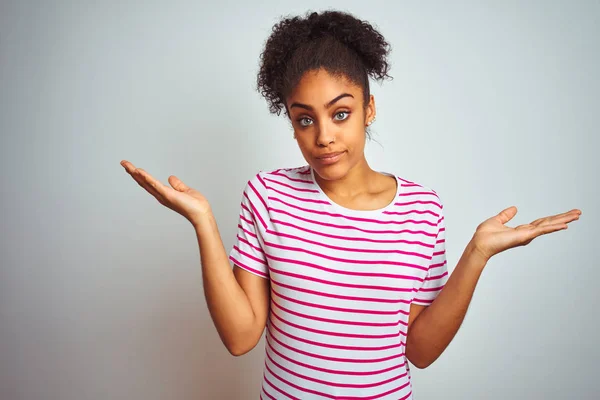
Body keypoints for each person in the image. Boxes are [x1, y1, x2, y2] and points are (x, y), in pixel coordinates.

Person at [120, 10, 581, 400]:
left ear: (369, 109)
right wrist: (203, 223)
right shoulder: (268, 195)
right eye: (304, 119)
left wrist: (475, 255)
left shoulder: (423, 209)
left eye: (341, 113)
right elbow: (241, 338)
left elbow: (419, 351)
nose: (323, 136)